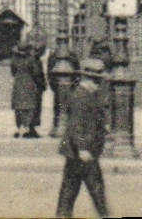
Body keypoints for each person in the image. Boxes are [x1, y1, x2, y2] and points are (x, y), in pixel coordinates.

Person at [56, 57, 112, 218]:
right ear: (87, 79)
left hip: (80, 150)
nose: (98, 84)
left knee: (70, 187)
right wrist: (82, 148)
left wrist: (105, 130)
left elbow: (95, 118)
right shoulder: (81, 96)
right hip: (81, 150)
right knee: (95, 187)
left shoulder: (89, 95)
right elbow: (76, 126)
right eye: (96, 81)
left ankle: (63, 215)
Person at [11, 41, 47, 138]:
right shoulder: (31, 59)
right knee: (29, 107)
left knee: (19, 107)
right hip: (29, 84)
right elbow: (36, 73)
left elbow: (13, 72)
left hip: (18, 84)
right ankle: (28, 129)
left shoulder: (14, 60)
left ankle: (19, 128)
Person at [47, 51, 78, 138]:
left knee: (66, 106)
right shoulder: (54, 56)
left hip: (66, 84)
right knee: (58, 106)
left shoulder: (72, 56)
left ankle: (64, 127)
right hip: (60, 84)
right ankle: (57, 126)